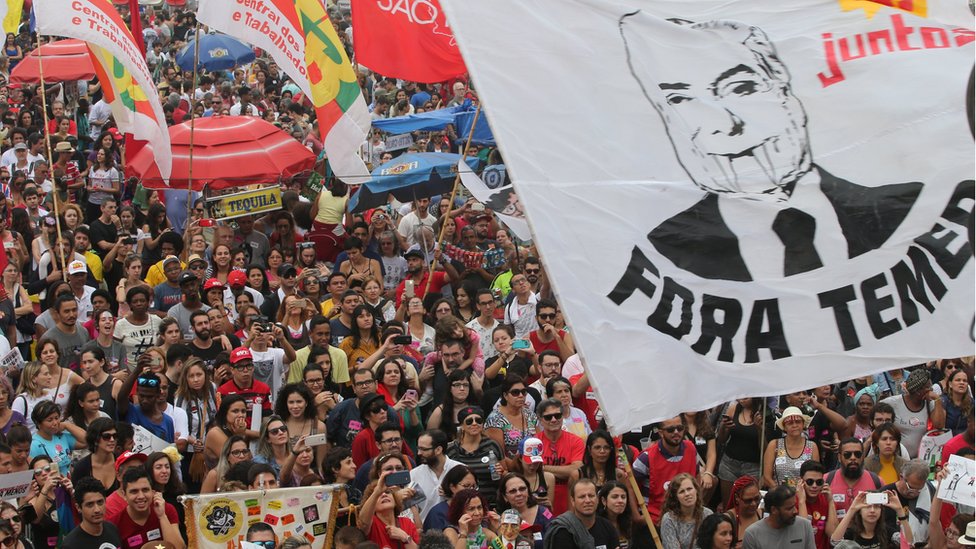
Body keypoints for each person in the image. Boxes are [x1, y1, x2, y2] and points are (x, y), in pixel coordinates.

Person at [618, 15, 922, 282]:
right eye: (680, 100)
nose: (724, 125)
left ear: (782, 86)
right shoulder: (657, 258)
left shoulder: (916, 210)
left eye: (740, 88)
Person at [632, 415, 698, 524]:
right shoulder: (647, 457)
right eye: (671, 429)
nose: (676, 432)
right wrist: (636, 516)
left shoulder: (691, 448)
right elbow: (629, 483)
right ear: (661, 432)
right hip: (655, 519)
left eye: (680, 428)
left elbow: (697, 476)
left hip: (686, 515)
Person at [108, 467, 185, 549]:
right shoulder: (114, 524)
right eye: (134, 491)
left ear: (153, 492)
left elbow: (178, 547)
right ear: (124, 495)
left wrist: (162, 516)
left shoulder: (167, 510)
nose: (141, 496)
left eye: (145, 490)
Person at [447, 406, 505, 507]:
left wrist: (502, 472)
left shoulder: (492, 445)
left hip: (489, 503)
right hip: (462, 504)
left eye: (478, 420)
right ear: (462, 425)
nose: (474, 423)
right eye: (469, 421)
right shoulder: (451, 449)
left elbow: (505, 473)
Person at [880, 369, 945, 458]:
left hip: (922, 460)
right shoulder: (893, 403)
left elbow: (939, 425)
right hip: (898, 459)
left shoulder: (930, 403)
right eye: (928, 387)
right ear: (918, 390)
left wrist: (937, 400)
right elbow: (875, 414)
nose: (931, 389)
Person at [542, 478, 619, 549]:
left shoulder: (607, 527)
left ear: (597, 499)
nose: (588, 500)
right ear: (573, 501)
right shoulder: (563, 531)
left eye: (591, 496)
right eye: (582, 497)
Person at [356, 467, 421, 549]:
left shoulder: (407, 523)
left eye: (388, 492)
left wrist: (405, 538)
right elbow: (363, 523)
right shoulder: (372, 523)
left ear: (395, 499)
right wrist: (377, 491)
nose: (384, 495)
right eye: (379, 495)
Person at [879, 459, 935, 546]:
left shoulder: (929, 491)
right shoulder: (885, 494)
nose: (915, 492)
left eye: (919, 489)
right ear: (901, 477)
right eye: (911, 487)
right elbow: (878, 525)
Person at [741, 485, 816, 549]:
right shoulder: (752, 534)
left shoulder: (805, 526)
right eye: (789, 508)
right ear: (774, 510)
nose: (795, 511)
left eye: (794, 506)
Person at [763, 406, 819, 489]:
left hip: (804, 496)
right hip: (779, 496)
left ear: (803, 424)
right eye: (790, 423)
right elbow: (767, 477)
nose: (794, 425)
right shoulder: (774, 445)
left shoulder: (812, 446)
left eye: (798, 422)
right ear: (784, 427)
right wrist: (782, 494)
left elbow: (816, 475)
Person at [830, 490, 911, 548]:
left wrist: (900, 510)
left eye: (876, 507)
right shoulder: (851, 533)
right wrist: (852, 509)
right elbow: (834, 542)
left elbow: (909, 543)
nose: (872, 510)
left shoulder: (886, 531)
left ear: (881, 511)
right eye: (867, 506)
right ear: (860, 511)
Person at [411, 429, 462, 522]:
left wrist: (454, 495)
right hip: (426, 531)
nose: (419, 453)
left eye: (424, 449)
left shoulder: (461, 470)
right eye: (418, 448)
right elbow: (411, 509)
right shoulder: (414, 474)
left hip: (456, 529)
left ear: (438, 449)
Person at [827, 438, 884, 519]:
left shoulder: (877, 481)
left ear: (863, 456)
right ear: (839, 457)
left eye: (857, 454)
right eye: (847, 455)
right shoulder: (826, 480)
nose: (853, 458)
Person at [117, 366, 175, 443]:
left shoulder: (168, 422)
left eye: (149, 397)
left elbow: (170, 450)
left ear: (158, 394)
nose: (145, 400)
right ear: (137, 392)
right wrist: (136, 371)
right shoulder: (131, 411)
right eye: (142, 396)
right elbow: (121, 397)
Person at [497, 472, 554, 549]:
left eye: (522, 489)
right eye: (513, 491)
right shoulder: (501, 519)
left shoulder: (544, 512)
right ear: (505, 497)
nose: (519, 494)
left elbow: (555, 540)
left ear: (528, 491)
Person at [62, 477, 121, 548]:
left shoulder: (112, 529)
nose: (97, 510)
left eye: (100, 502)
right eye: (90, 504)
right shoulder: (71, 545)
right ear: (78, 507)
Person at [660, 472, 712, 549]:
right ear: (676, 497)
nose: (687, 494)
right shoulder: (669, 519)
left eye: (689, 489)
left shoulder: (708, 514)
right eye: (682, 491)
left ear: (696, 490)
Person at [69, 418, 119, 497]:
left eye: (115, 436)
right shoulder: (81, 468)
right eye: (106, 436)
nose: (112, 440)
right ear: (95, 439)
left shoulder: (122, 463)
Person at [796, 460, 838, 549]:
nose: (814, 486)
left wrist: (830, 502)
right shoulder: (792, 501)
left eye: (819, 482)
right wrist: (802, 501)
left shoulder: (826, 499)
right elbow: (803, 534)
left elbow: (832, 534)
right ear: (801, 481)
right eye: (810, 482)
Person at [29, 400, 76, 473]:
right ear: (38, 423)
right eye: (50, 420)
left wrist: (66, 425)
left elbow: (85, 441)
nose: (55, 423)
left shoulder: (61, 436)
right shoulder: (34, 445)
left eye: (57, 418)